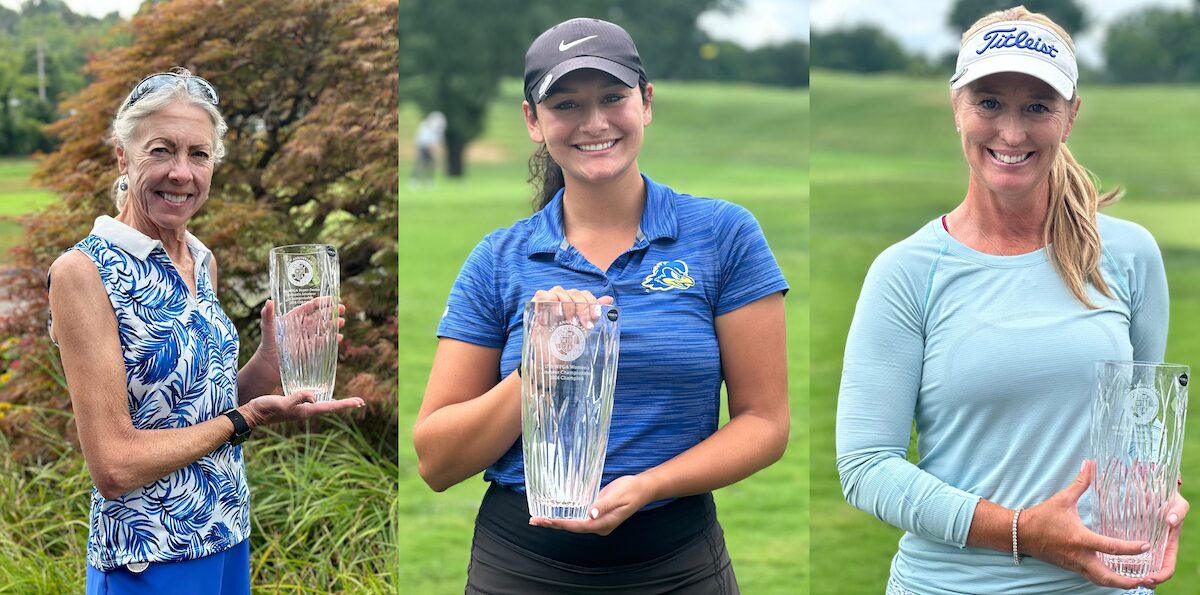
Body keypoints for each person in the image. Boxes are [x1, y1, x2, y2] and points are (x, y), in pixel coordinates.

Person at [413, 17, 789, 593]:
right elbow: (436, 463)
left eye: (612, 97)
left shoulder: (723, 235)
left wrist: (650, 486)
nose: (594, 123)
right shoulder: (497, 259)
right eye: (566, 104)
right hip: (520, 568)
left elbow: (765, 423)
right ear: (533, 121)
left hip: (677, 565)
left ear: (646, 102)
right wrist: (539, 368)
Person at [836, 7, 1188, 595]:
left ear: (1070, 116)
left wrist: (1159, 486)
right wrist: (1023, 531)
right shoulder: (905, 272)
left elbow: (1138, 423)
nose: (1013, 133)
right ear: (957, 107)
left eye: (1038, 107)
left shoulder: (1130, 254)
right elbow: (867, 468)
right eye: (990, 102)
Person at [47, 69, 363, 595]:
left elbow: (205, 408)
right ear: (123, 157)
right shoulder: (84, 272)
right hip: (147, 556)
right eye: (161, 151)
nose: (181, 172)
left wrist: (271, 360)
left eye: (199, 155)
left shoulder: (199, 258)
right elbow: (114, 464)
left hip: (226, 533)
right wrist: (247, 420)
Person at [409, 111, 445, 189]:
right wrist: (431, 147)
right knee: (419, 163)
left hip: (432, 147)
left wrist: (437, 149)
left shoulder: (439, 129)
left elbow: (439, 140)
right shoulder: (424, 126)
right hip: (422, 146)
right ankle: (414, 180)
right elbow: (421, 139)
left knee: (431, 165)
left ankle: (429, 180)